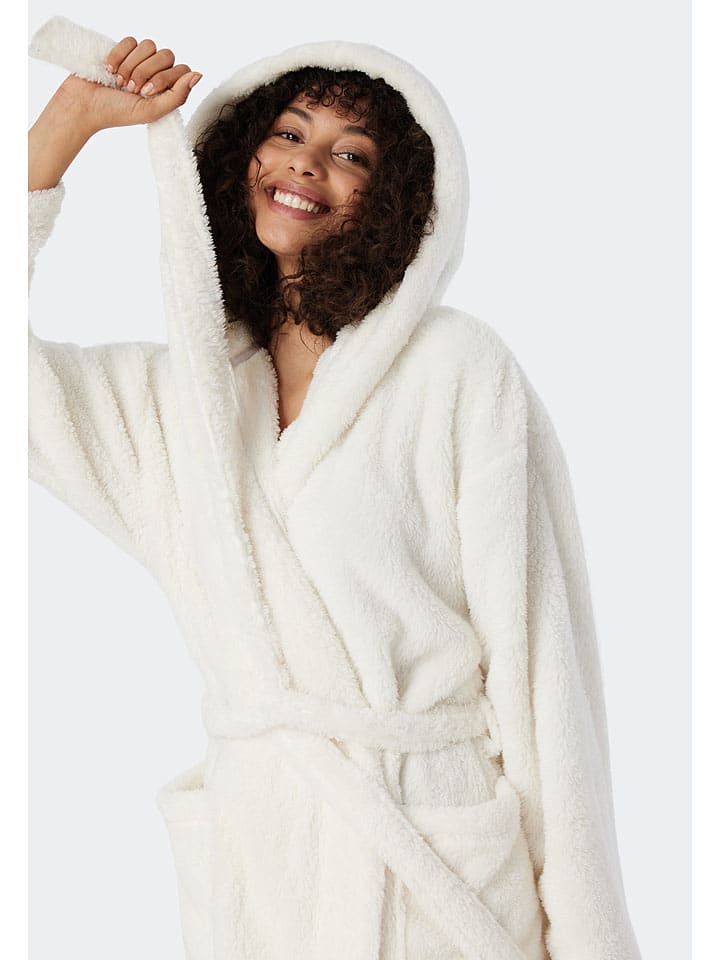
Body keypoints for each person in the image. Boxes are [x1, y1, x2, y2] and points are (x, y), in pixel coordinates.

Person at [28, 15, 643, 960]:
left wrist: (590, 938)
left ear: (393, 200)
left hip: (433, 869)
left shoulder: (456, 370)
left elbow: (543, 673)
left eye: (350, 153)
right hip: (261, 869)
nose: (306, 163)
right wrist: (64, 125)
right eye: (287, 132)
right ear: (239, 157)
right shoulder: (177, 405)